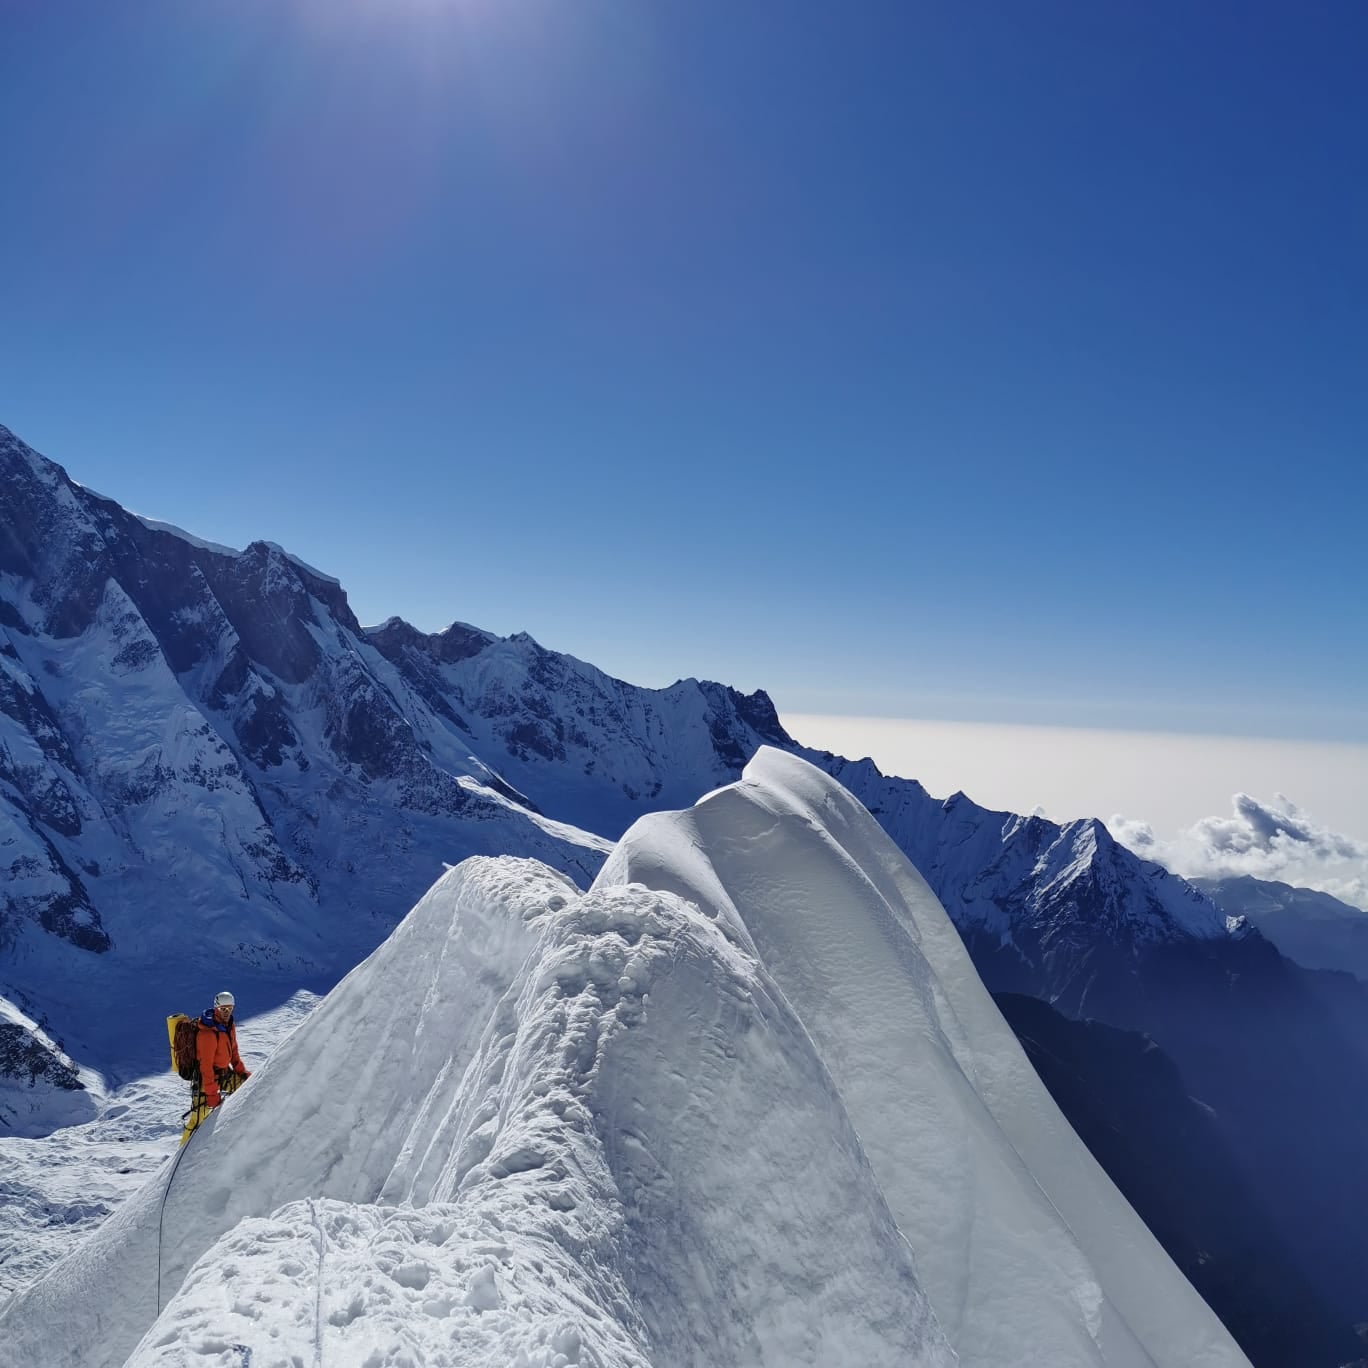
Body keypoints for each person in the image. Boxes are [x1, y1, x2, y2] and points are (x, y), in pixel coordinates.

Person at [196, 989, 251, 1109]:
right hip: (206, 1081)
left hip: (224, 1074)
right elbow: (206, 1065)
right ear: (216, 1008)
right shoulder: (208, 1033)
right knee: (200, 1118)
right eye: (223, 1009)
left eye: (230, 1009)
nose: (227, 1012)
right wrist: (211, 1093)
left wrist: (241, 1071)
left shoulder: (229, 1026)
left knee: (248, 1091)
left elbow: (234, 1050)